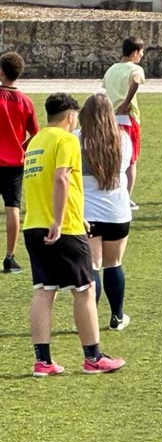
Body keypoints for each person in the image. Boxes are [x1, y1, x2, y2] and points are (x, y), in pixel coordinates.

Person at [22, 93, 125, 375]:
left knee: (44, 290)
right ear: (70, 116)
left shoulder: (35, 142)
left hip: (33, 224)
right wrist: (60, 219)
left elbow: (38, 183)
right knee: (85, 289)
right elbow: (61, 177)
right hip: (62, 227)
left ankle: (43, 362)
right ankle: (93, 357)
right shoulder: (67, 140)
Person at [76, 93, 133, 331]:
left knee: (93, 266)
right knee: (114, 264)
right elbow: (126, 167)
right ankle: (117, 316)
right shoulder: (122, 139)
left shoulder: (77, 139)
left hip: (87, 213)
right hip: (117, 212)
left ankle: (91, 319)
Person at [0, 52, 39, 274]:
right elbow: (35, 132)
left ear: (2, 72)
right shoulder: (26, 101)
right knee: (12, 207)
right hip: (15, 162)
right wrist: (21, 147)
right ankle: (9, 256)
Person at [102, 36, 146, 209]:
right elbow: (136, 81)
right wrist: (126, 103)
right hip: (128, 118)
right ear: (135, 53)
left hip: (110, 117)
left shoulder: (111, 70)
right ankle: (126, 196)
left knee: (112, 157)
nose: (142, 56)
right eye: (141, 52)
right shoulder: (135, 68)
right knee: (131, 159)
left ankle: (110, 192)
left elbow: (102, 92)